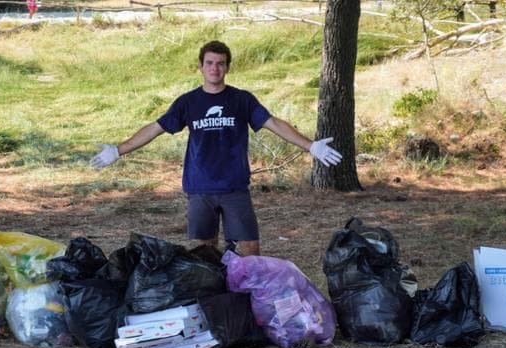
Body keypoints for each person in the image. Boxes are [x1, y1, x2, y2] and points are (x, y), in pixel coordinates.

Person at [90, 40, 342, 256]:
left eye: (220, 63)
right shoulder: (187, 102)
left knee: (250, 246)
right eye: (209, 63)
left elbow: (273, 123)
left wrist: (311, 146)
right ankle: (214, 294)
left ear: (228, 67)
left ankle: (247, 295)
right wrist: (118, 150)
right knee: (205, 247)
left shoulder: (241, 99)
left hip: (235, 186)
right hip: (200, 187)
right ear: (200, 66)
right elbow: (155, 128)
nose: (215, 68)